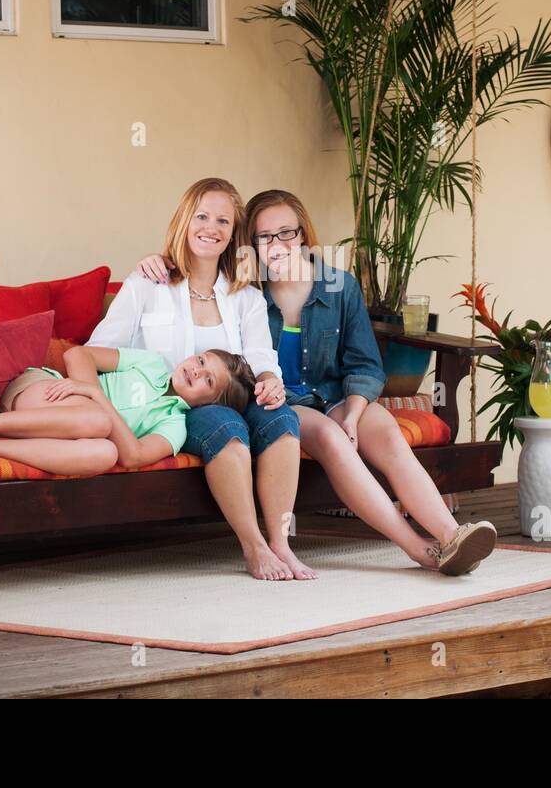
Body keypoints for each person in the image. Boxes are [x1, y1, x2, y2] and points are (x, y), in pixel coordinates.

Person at [139, 189, 498, 576]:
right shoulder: (245, 292)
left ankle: (452, 536)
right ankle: (414, 547)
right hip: (282, 402)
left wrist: (354, 412)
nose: (276, 245)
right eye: (263, 237)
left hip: (336, 395)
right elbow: (200, 287)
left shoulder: (338, 287)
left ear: (303, 236)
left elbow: (365, 364)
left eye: (285, 233)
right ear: (250, 245)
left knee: (386, 432)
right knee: (330, 436)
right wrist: (158, 261)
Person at [90, 178, 313, 581]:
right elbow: (102, 348)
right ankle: (254, 547)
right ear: (184, 220)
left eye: (223, 221)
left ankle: (281, 544)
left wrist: (269, 379)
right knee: (225, 425)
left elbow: (262, 355)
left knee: (282, 420)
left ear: (233, 234)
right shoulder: (147, 283)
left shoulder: (245, 296)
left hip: (236, 396)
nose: (211, 228)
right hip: (172, 404)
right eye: (202, 216)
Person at [0, 344, 255, 478]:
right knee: (96, 420)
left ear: (211, 403)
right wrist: (91, 395)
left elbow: (133, 457)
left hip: (66, 436)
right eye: (201, 361)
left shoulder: (174, 425)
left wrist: (94, 398)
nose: (196, 371)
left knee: (105, 453)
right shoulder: (151, 363)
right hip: (41, 392)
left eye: (208, 379)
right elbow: (78, 354)